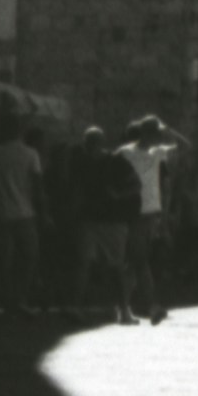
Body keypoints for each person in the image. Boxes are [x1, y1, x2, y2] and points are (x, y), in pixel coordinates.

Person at [0, 115, 45, 318]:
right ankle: (21, 298)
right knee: (28, 257)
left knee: (4, 260)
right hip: (25, 213)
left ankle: (6, 299)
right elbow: (37, 186)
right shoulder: (31, 154)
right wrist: (43, 212)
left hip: (1, 213)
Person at [116, 117, 177, 321]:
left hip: (151, 211)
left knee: (133, 263)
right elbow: (109, 171)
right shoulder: (125, 152)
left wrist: (169, 131)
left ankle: (124, 309)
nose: (159, 137)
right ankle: (151, 305)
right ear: (146, 134)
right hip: (134, 211)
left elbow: (186, 147)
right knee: (140, 259)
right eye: (155, 133)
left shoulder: (157, 153)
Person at [70, 131, 134, 323]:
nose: (89, 146)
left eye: (92, 143)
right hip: (89, 219)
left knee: (115, 267)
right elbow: (77, 190)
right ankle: (74, 306)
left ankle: (124, 309)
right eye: (87, 143)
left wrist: (118, 195)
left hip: (113, 220)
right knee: (84, 262)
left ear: (99, 143)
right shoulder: (81, 163)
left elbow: (135, 185)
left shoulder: (115, 162)